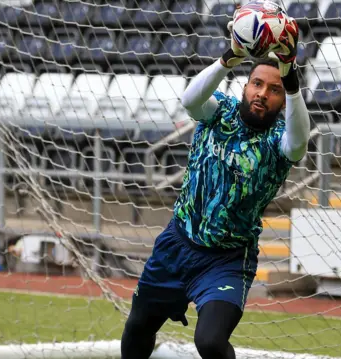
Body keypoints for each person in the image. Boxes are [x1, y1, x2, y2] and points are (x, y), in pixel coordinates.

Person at [120, 16, 310, 359]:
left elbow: (299, 143)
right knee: (138, 327)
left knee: (209, 341)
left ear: (283, 101)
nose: (262, 94)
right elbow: (190, 100)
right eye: (256, 84)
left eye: (274, 89)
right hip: (177, 244)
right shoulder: (219, 110)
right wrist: (229, 57)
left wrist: (293, 81)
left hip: (227, 259)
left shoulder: (279, 141)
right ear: (245, 85)